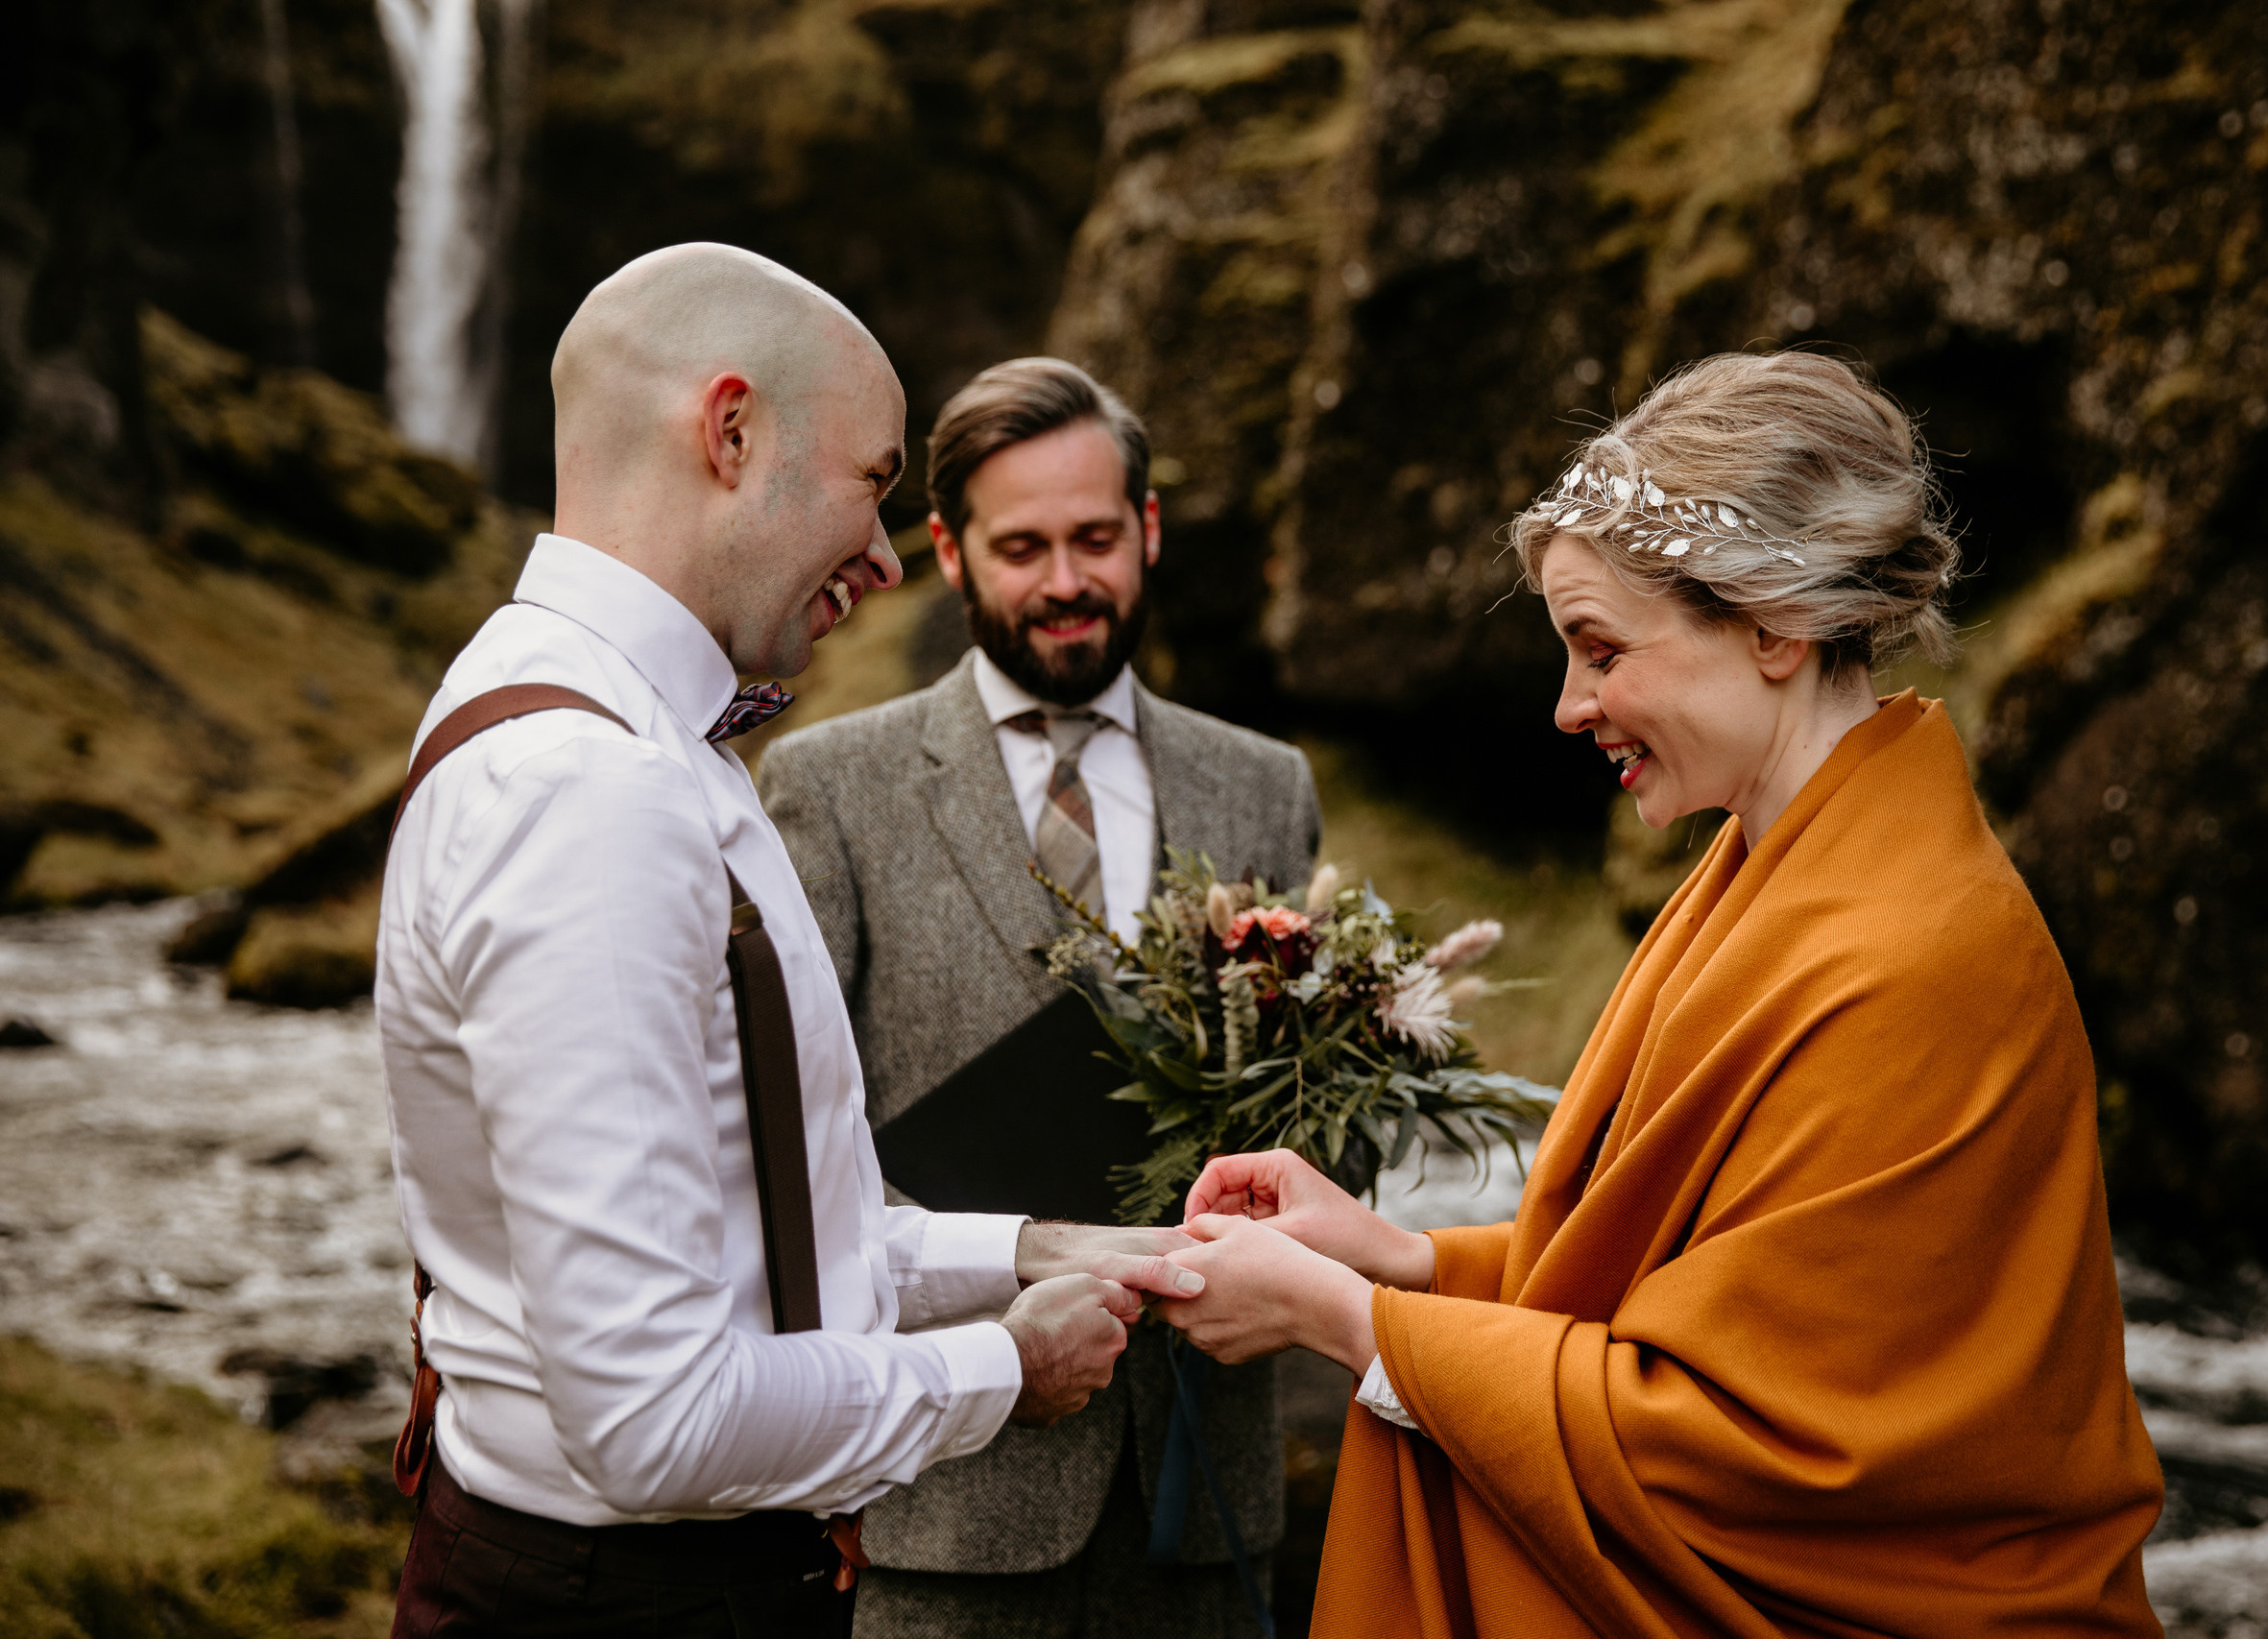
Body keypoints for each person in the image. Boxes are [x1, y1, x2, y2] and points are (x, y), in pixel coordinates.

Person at [1149, 351, 2167, 1635]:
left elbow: (1762, 1445)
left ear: (1776, 622)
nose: (1570, 707)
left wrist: (1352, 1322)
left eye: (1599, 648)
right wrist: (1394, 1255)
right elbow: (1694, 1277)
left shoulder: (1908, 958)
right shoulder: (1773, 864)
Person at [376, 246, 1199, 1639]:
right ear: (732, 431)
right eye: (874, 483)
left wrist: (1031, 1252)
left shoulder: (609, 730)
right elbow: (653, 1420)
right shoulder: (597, 791)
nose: (886, 563)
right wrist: (1002, 1368)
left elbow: (768, 1238)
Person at [760, 356, 1319, 1637]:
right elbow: (792, 1159)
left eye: (1095, 539)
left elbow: (1316, 1118)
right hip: (946, 1508)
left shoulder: (1265, 787)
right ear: (950, 555)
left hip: (1204, 1505)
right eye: (1022, 547)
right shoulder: (829, 789)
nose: (1066, 583)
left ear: (1150, 532)